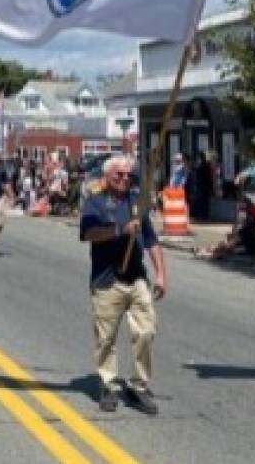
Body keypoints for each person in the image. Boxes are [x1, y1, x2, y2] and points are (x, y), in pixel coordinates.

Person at [80, 155, 166, 414]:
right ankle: (108, 384)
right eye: (118, 174)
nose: (123, 178)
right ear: (107, 176)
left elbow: (150, 239)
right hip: (107, 280)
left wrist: (161, 273)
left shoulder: (136, 203)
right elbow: (88, 233)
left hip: (136, 277)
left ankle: (138, 385)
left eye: (128, 175)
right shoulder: (95, 201)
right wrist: (120, 230)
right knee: (106, 338)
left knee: (146, 331)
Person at [184, 152, 214, 222]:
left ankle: (202, 217)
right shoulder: (200, 166)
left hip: (202, 188)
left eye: (198, 158)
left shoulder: (203, 166)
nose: (197, 160)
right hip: (200, 188)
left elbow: (205, 178)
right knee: (201, 203)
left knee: (201, 203)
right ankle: (201, 216)